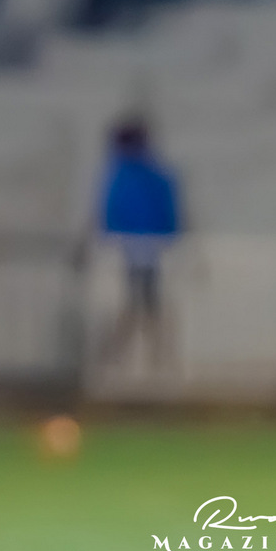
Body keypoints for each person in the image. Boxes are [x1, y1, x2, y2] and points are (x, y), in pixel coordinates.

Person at [99, 118, 182, 373]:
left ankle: (132, 355)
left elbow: (112, 211)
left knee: (142, 302)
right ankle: (149, 355)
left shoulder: (126, 174)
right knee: (143, 302)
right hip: (143, 248)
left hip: (138, 248)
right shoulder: (149, 173)